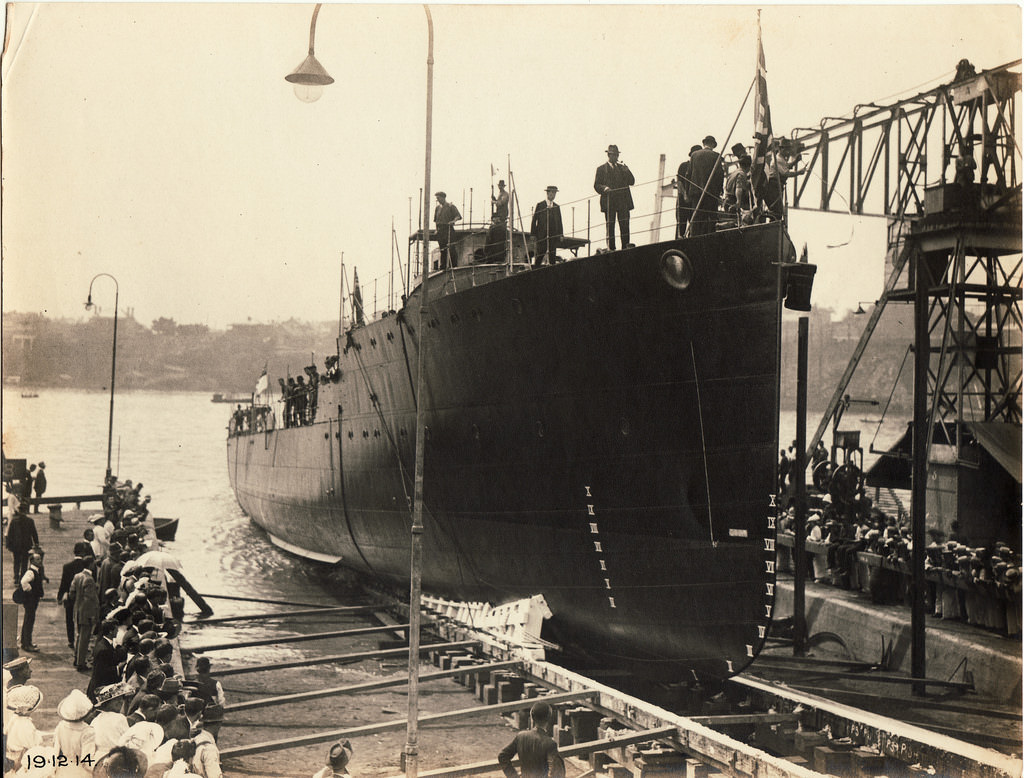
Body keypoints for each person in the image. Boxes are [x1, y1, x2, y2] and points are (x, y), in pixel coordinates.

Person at [498, 701, 564, 778]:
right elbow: (557, 772)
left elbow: (502, 756)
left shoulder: (521, 736)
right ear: (549, 717)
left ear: (532, 717)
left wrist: (514, 776)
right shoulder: (550, 743)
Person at [593, 144, 635, 251]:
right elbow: (596, 185)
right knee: (610, 226)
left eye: (616, 155)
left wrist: (627, 171)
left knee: (625, 225)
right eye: (613, 155)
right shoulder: (601, 169)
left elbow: (632, 181)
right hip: (609, 202)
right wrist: (604, 188)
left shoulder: (622, 168)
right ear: (609, 155)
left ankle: (625, 248)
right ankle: (611, 249)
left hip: (623, 202)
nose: (616, 157)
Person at [53, 688, 96, 778]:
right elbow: (86, 759)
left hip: (64, 768)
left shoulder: (61, 726)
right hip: (81, 772)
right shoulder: (87, 731)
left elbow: (56, 750)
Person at [688, 135, 724, 236]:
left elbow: (688, 174)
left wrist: (689, 191)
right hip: (710, 192)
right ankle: (709, 237)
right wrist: (720, 191)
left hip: (695, 192)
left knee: (696, 217)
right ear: (712, 144)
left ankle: (694, 237)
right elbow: (719, 175)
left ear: (704, 144)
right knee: (710, 218)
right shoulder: (716, 156)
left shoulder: (694, 155)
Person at [4, 684, 44, 772]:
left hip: (12, 756)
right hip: (21, 762)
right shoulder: (26, 725)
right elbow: (32, 747)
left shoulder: (14, 719)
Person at [72, 560, 101, 671]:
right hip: (86, 612)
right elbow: (90, 599)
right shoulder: (89, 579)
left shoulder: (77, 576)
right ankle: (81, 662)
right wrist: (93, 614)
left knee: (79, 636)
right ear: (90, 565)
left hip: (78, 610)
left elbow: (72, 592)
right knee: (84, 638)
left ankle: (77, 658)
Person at [530, 186, 563, 267]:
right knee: (540, 255)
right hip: (542, 235)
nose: (553, 195)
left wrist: (561, 234)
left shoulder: (556, 207)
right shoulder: (540, 205)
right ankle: (535, 271)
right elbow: (534, 220)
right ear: (547, 193)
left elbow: (559, 222)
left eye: (554, 193)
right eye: (551, 192)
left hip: (553, 235)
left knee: (552, 256)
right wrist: (533, 234)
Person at [88, 621, 122, 700]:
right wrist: (118, 668)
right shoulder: (104, 649)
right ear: (110, 631)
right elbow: (102, 671)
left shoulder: (104, 643)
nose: (117, 631)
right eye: (116, 629)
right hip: (99, 687)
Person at [19, 551, 45, 651]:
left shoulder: (37, 570)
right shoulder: (31, 572)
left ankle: (25, 642)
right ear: (32, 561)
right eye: (37, 559)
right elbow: (23, 582)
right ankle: (26, 644)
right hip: (30, 601)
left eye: (40, 559)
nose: (40, 561)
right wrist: (31, 591)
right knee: (29, 621)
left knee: (28, 620)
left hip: (32, 600)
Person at [6, 508, 39, 585]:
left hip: (16, 545)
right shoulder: (30, 521)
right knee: (24, 562)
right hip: (26, 545)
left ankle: (16, 577)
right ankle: (22, 577)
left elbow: (10, 534)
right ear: (25, 511)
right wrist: (36, 543)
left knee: (16, 562)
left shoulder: (14, 521)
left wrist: (9, 545)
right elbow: (34, 533)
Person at [676, 144, 702, 237]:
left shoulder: (698, 168)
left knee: (694, 223)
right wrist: (685, 195)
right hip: (683, 198)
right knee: (681, 222)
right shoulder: (683, 166)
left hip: (693, 198)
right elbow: (679, 183)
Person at [433, 191, 462, 269]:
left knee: (451, 247)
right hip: (440, 230)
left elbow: (458, 216)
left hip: (448, 229)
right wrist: (436, 230)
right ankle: (443, 266)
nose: (438, 200)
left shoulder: (450, 206)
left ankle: (453, 265)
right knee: (442, 249)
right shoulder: (437, 208)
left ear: (443, 198)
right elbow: (436, 221)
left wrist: (453, 221)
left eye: (438, 198)